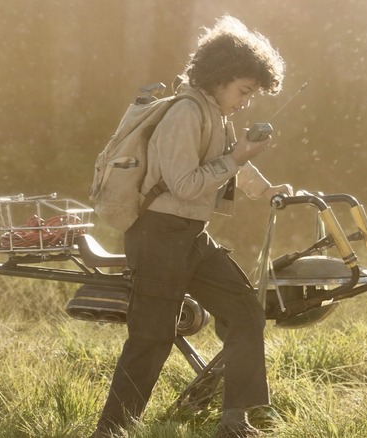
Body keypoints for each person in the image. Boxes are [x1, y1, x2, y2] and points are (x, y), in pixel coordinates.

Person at [90, 15, 292, 438]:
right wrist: (236, 160)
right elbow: (185, 184)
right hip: (158, 233)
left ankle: (235, 420)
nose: (246, 102)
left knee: (245, 313)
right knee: (151, 336)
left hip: (191, 235)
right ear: (220, 77)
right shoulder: (185, 113)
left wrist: (267, 189)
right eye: (245, 91)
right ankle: (111, 430)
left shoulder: (214, 113)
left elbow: (231, 157)